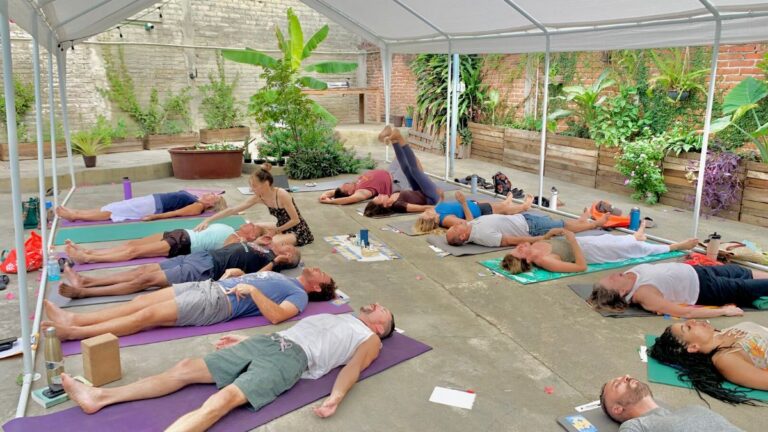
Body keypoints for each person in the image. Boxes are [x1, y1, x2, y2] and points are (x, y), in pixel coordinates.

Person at [59, 303, 395, 431]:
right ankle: (99, 396)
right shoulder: (340, 314)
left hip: (293, 360)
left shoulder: (369, 338)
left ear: (380, 326)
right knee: (185, 368)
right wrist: (244, 339)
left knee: (222, 402)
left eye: (383, 311)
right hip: (269, 343)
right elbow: (291, 330)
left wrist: (336, 396)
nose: (377, 305)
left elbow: (353, 368)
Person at [42, 268, 337, 341]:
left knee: (147, 315)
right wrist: (236, 275)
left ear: (317, 287)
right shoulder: (285, 276)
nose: (320, 269)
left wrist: (251, 291)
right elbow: (258, 280)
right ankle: (78, 320)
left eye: (325, 275)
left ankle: (73, 332)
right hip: (212, 286)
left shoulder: (298, 296)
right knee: (142, 300)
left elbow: (277, 317)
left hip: (220, 303)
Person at [58, 239, 301, 298]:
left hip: (208, 268)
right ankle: (88, 281)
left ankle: (85, 292)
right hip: (202, 256)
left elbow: (254, 278)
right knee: (143, 271)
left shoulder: (272, 268)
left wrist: (275, 262)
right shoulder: (265, 247)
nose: (285, 246)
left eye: (289, 250)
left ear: (288, 257)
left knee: (147, 280)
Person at [500, 221, 698, 274]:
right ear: (525, 260)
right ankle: (673, 247)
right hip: (589, 252)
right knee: (632, 251)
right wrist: (573, 241)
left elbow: (546, 239)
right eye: (519, 250)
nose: (521, 245)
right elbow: (581, 267)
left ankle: (636, 236)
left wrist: (549, 234)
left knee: (612, 239)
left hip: (586, 243)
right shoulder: (545, 261)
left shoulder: (534, 246)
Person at [649, 320, 768, 405]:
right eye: (688, 328)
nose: (692, 321)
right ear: (693, 347)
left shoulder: (720, 333)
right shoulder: (725, 359)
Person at [589, 262, 768, 318]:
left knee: (742, 271)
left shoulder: (626, 276)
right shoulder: (643, 294)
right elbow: (685, 312)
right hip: (707, 289)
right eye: (612, 279)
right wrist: (723, 311)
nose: (613, 274)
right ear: (621, 293)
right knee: (750, 287)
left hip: (700, 271)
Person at [195, 164, 313, 246]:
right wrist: (208, 220)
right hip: (280, 225)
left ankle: (245, 245)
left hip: (297, 230)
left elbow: (295, 220)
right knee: (252, 227)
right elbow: (232, 210)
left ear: (266, 184)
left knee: (270, 243)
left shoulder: (282, 194)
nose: (252, 189)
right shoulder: (259, 197)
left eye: (254, 186)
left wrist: (276, 230)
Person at [63, 222, 263, 264]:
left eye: (254, 227)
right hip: (181, 232)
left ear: (253, 236)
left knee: (135, 251)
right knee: (134, 243)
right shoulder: (231, 226)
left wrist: (245, 242)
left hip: (184, 243)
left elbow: (225, 252)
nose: (250, 224)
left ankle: (88, 258)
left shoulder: (236, 240)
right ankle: (90, 250)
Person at [600, 375, 743, 431]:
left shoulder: (691, 408)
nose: (626, 377)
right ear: (617, 409)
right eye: (617, 384)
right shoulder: (635, 426)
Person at [361, 126, 441, 217]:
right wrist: (439, 206)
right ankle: (400, 138)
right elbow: (423, 208)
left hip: (418, 190)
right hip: (431, 197)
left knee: (406, 168)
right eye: (378, 198)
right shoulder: (397, 205)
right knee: (414, 170)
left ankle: (395, 140)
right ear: (384, 205)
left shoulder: (391, 196)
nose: (378, 195)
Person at [445, 208, 609, 247]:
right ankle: (595, 224)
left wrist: (464, 203)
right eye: (454, 229)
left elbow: (469, 219)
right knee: (564, 225)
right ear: (462, 237)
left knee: (560, 221)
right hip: (531, 228)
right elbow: (511, 241)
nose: (454, 225)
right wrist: (540, 239)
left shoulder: (471, 227)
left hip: (524, 218)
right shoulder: (482, 236)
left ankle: (582, 221)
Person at [55, 190, 226, 222]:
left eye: (214, 196)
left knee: (114, 212)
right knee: (114, 206)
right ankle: (77, 212)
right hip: (151, 200)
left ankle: (76, 216)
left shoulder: (197, 207)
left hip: (151, 207)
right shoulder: (196, 198)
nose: (210, 194)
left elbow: (176, 214)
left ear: (211, 204)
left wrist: (154, 217)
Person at [415, 191, 534, 233]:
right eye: (427, 213)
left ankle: (506, 202)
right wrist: (463, 203)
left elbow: (442, 207)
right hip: (479, 212)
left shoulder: (436, 211)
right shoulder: (445, 220)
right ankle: (524, 206)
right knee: (504, 211)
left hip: (474, 205)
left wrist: (441, 198)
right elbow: (470, 223)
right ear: (433, 220)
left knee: (501, 206)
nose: (427, 210)